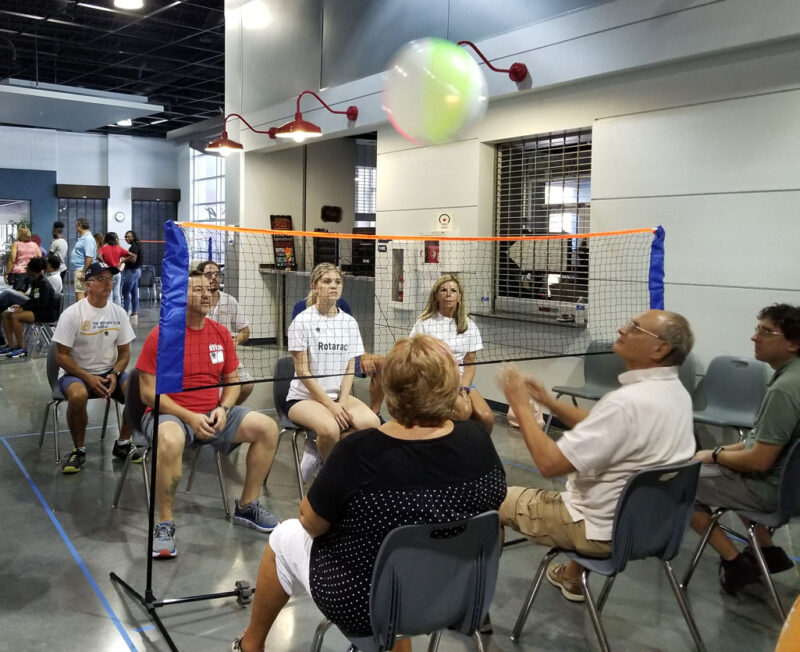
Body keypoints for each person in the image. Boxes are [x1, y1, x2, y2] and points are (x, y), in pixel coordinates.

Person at [231, 334, 507, 652]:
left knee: (285, 536)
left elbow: (311, 523)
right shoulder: (477, 440)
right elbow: (492, 511)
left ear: (389, 390)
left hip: (368, 606)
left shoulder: (360, 450)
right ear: (450, 386)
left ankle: (251, 644)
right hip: (457, 596)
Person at [495, 309, 696, 602]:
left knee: (488, 499)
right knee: (600, 484)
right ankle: (572, 576)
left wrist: (520, 405)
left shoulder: (627, 403)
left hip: (596, 530)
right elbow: (602, 425)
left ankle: (473, 601)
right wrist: (548, 402)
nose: (622, 329)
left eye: (636, 328)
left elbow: (549, 463)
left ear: (660, 349)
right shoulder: (675, 393)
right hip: (650, 526)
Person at [135, 271, 280, 558]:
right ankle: (164, 523)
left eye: (210, 289)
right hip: (170, 413)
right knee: (171, 440)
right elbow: (147, 393)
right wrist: (189, 417)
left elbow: (232, 382)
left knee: (268, 428)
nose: (206, 294)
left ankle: (248, 506)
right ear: (180, 295)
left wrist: (224, 409)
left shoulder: (221, 333)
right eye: (197, 289)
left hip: (212, 412)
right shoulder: (163, 334)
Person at [690, 303, 800, 594]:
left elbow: (759, 461)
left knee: (677, 485)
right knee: (716, 468)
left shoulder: (785, 389)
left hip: (773, 492)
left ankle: (735, 562)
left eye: (766, 331)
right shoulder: (792, 376)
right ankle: (767, 551)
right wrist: (721, 455)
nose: (755, 337)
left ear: (794, 343)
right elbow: (760, 441)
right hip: (791, 487)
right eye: (757, 329)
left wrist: (714, 455)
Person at [286, 263, 380, 482]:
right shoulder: (302, 322)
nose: (333, 286)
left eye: (337, 282)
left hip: (339, 395)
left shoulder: (349, 322)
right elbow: (302, 371)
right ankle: (333, 481)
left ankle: (319, 450)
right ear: (315, 286)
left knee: (373, 425)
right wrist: (330, 406)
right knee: (329, 430)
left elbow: (350, 366)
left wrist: (344, 400)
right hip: (304, 398)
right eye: (327, 281)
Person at [52, 262, 136, 473]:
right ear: (87, 285)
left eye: (110, 279)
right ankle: (78, 450)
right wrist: (88, 378)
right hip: (75, 373)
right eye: (101, 279)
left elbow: (125, 353)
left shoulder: (119, 313)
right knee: (78, 395)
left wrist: (116, 373)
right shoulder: (72, 314)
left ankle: (123, 444)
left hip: (109, 373)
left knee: (138, 391)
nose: (108, 283)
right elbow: (61, 356)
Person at [411, 274, 494, 434]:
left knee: (486, 417)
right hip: (434, 380)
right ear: (436, 296)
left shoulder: (469, 326)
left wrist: (463, 387)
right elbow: (414, 357)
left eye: (453, 290)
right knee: (463, 411)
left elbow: (470, 363)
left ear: (459, 297)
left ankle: (477, 453)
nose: (448, 294)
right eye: (443, 290)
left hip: (460, 379)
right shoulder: (424, 323)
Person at [197, 260, 254, 405]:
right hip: (199, 356)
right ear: (200, 278)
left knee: (247, 384)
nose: (214, 277)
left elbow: (245, 330)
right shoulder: (193, 301)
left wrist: (235, 342)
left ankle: (227, 411)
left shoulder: (229, 301)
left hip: (222, 355)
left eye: (217, 274)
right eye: (209, 274)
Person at [0, 257, 60, 358]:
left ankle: (22, 348)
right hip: (35, 309)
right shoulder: (34, 281)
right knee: (6, 313)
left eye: (27, 267)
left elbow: (42, 304)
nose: (26, 269)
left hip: (45, 313)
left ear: (32, 269)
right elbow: (31, 300)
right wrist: (19, 306)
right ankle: (10, 345)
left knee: (15, 316)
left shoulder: (44, 283)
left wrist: (22, 308)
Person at [4, 225, 39, 293]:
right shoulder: (35, 245)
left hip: (19, 273)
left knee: (18, 294)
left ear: (19, 234)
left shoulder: (16, 244)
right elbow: (40, 258)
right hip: (32, 273)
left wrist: (6, 273)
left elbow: (12, 261)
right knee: (30, 293)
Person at [70, 218, 96, 302]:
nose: (75, 227)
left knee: (80, 292)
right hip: (81, 269)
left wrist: (84, 272)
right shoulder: (84, 238)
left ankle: (81, 314)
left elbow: (89, 257)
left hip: (82, 269)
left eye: (76, 225)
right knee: (83, 292)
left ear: (80, 225)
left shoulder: (88, 239)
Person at [98, 232, 127, 306]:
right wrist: (120, 267)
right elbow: (126, 258)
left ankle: (110, 311)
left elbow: (98, 257)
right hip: (117, 272)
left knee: (109, 292)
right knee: (117, 293)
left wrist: (104, 263)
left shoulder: (103, 249)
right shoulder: (119, 248)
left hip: (108, 273)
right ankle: (118, 310)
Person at [120, 230, 142, 323]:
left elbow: (133, 259)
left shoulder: (134, 247)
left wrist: (123, 260)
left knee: (125, 293)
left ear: (134, 237)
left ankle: (125, 314)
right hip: (137, 271)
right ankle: (134, 313)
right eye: (125, 237)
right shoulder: (138, 245)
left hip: (132, 272)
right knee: (134, 293)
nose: (127, 238)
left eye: (129, 236)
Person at [49, 220, 68, 287]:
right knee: (60, 288)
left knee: (56, 289)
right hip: (63, 268)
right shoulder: (64, 241)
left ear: (55, 231)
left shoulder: (55, 242)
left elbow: (49, 256)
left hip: (57, 270)